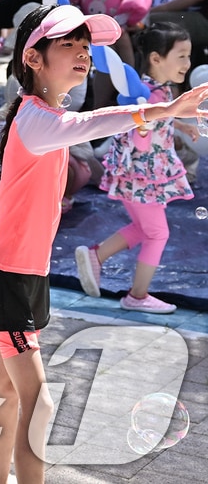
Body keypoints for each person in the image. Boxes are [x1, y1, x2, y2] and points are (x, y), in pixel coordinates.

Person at [0, 3, 208, 484]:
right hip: (11, 277)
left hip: (25, 272)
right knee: (39, 403)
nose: (83, 54)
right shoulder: (35, 118)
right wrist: (162, 110)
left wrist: (162, 112)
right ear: (32, 58)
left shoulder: (44, 114)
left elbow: (88, 121)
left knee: (7, 392)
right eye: (69, 45)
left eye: (85, 46)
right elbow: (93, 123)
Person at [75, 24, 194, 314]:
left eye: (188, 56)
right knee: (157, 234)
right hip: (142, 177)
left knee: (145, 228)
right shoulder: (145, 96)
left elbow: (160, 114)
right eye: (181, 56)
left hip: (140, 177)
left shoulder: (155, 89)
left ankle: (96, 256)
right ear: (156, 58)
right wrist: (143, 132)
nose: (187, 63)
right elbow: (140, 136)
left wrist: (179, 125)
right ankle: (137, 296)